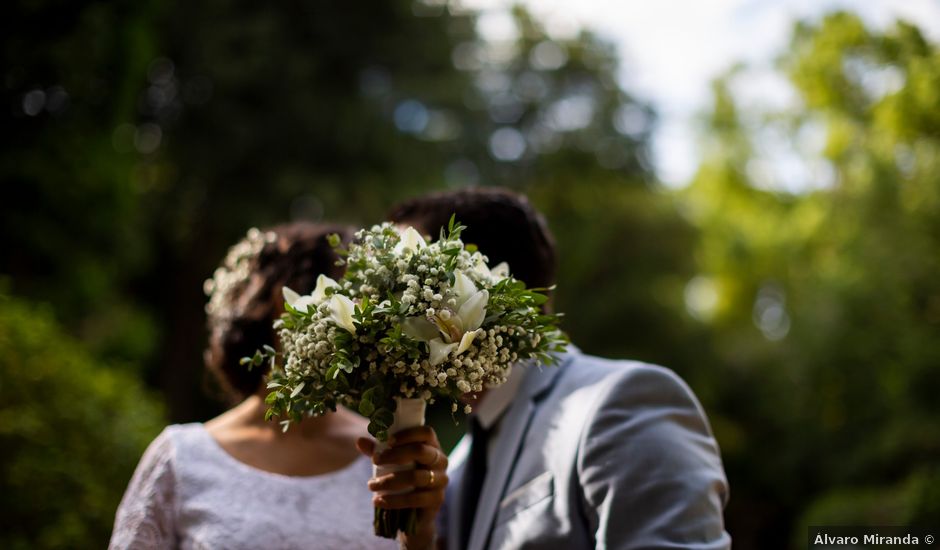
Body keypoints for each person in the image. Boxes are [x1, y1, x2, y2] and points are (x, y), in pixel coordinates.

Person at [375, 188, 731, 550]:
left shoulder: (625, 402)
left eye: (399, 288)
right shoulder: (461, 463)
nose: (380, 316)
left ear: (473, 288)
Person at [110, 222, 449, 550]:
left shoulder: (393, 457)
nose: (370, 323)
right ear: (282, 304)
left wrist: (419, 535)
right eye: (355, 299)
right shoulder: (181, 459)